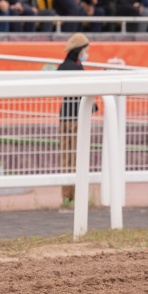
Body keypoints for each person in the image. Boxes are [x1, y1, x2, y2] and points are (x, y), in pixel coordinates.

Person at [58, 32, 89, 206]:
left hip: (64, 116)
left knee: (66, 158)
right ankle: (77, 196)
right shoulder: (78, 67)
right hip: (77, 118)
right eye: (86, 49)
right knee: (78, 157)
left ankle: (67, 196)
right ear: (79, 50)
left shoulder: (62, 66)